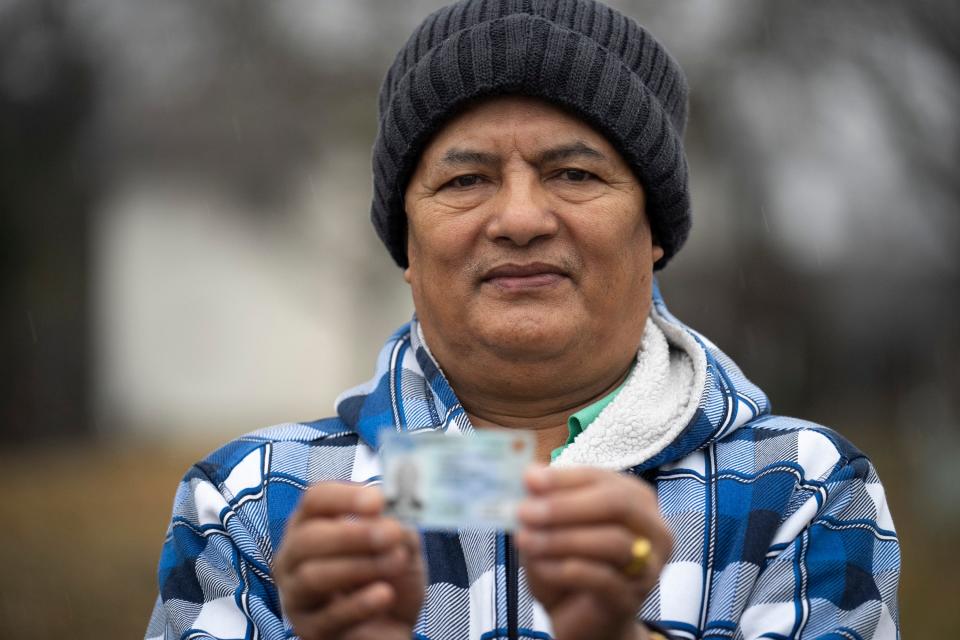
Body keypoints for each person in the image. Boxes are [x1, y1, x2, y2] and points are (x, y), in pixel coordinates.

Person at [145, 1, 901, 639]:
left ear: (655, 230)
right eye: (466, 179)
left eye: (574, 174)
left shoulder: (801, 491)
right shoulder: (253, 506)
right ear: (406, 242)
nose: (518, 218)